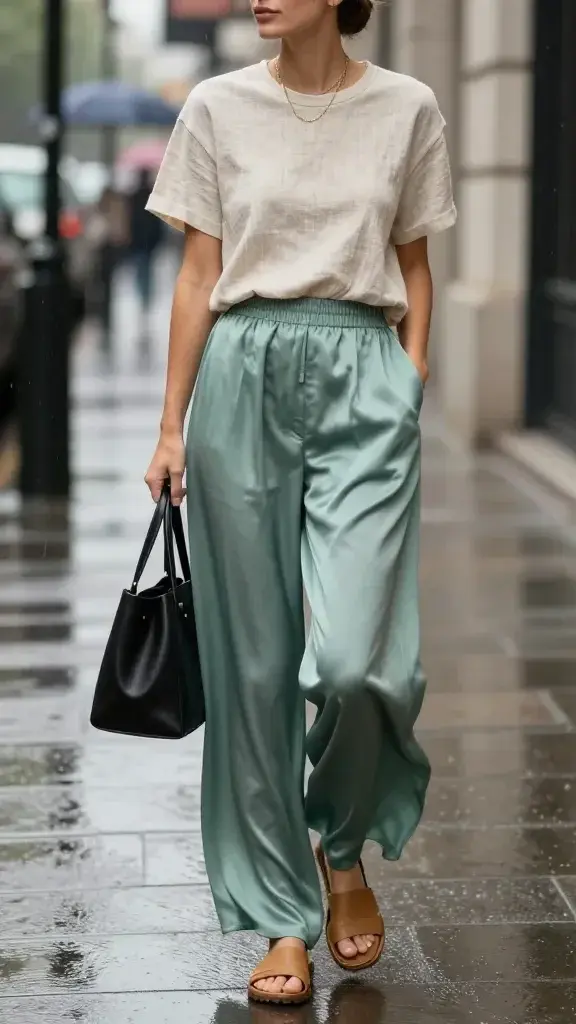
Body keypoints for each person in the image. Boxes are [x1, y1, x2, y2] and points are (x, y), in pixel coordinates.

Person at [145, 0, 456, 1006]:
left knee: (363, 663)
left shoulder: (408, 107)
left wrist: (408, 379)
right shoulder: (214, 106)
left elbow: (416, 262)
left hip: (364, 370)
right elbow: (198, 274)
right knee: (256, 667)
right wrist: (167, 427)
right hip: (242, 376)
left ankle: (343, 846)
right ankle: (283, 910)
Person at [127, 169, 164, 327]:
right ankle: (145, 298)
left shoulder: (135, 196)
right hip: (147, 243)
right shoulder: (150, 195)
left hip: (140, 243)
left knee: (142, 271)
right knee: (145, 271)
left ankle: (144, 298)